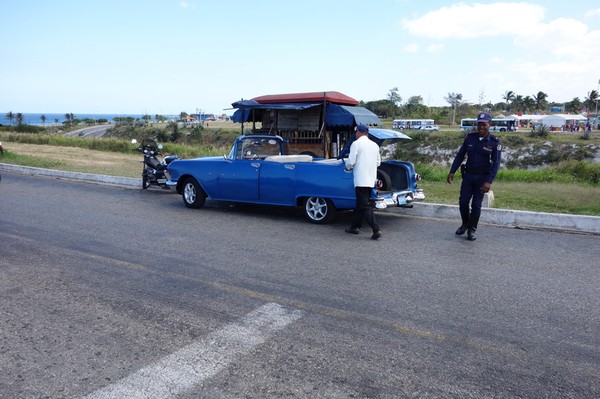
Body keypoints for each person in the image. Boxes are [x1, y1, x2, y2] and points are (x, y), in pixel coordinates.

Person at [447, 112, 501, 241]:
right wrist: (452, 171)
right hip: (468, 176)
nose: (481, 127)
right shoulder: (470, 138)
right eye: (479, 124)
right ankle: (465, 223)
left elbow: (496, 163)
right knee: (463, 202)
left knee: (476, 205)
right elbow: (461, 155)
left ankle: (472, 229)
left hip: (482, 179)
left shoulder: (494, 142)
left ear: (490, 125)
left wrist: (489, 182)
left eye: (484, 124)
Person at [344, 124, 382, 240]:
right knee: (360, 205)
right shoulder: (374, 145)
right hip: (371, 179)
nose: (355, 134)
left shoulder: (356, 144)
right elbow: (378, 162)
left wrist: (347, 167)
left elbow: (351, 161)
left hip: (361, 180)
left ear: (359, 132)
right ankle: (355, 227)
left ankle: (376, 229)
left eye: (356, 132)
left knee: (364, 206)